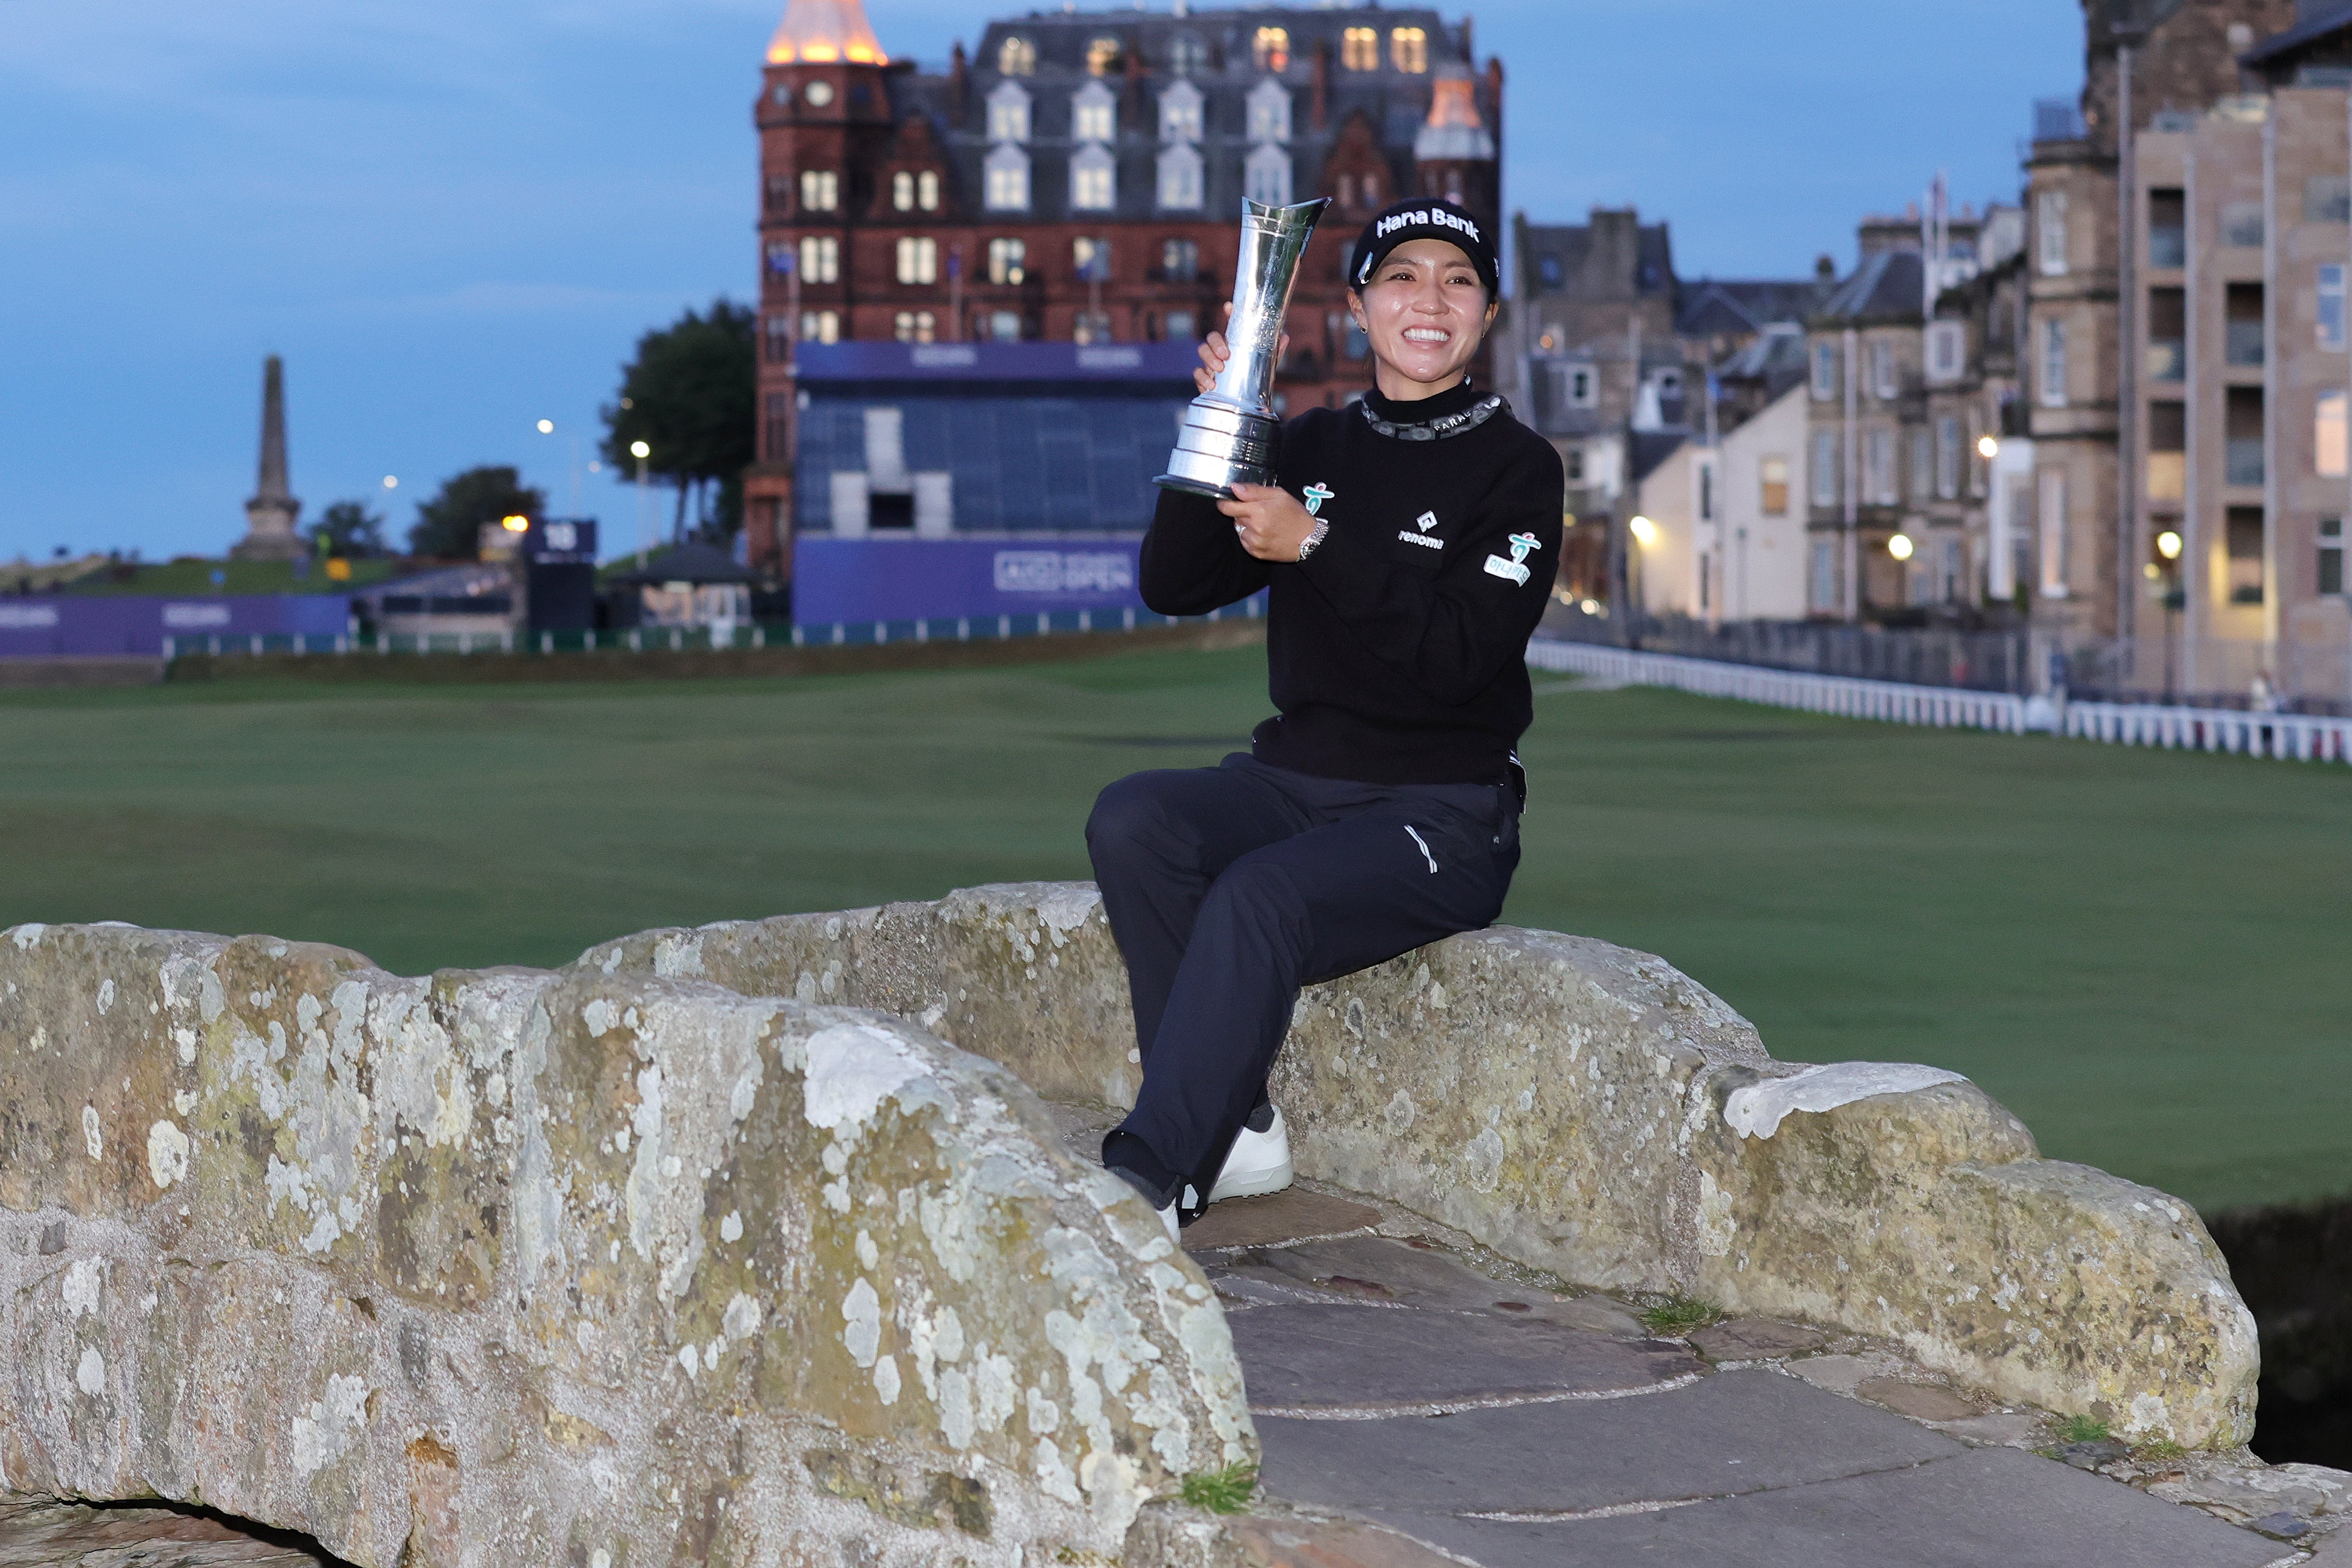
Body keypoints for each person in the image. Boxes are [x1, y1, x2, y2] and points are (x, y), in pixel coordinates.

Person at [1087, 199, 1566, 1239]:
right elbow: (1174, 582)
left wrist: (1318, 547)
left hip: (1443, 812)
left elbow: (1458, 658)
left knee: (1259, 897)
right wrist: (1222, 412)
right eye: (1401, 276)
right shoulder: (1305, 444)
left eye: (1457, 279)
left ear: (1488, 314)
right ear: (1357, 307)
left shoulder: (1520, 470)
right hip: (1295, 781)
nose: (1428, 299)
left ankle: (1148, 1180)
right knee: (1134, 821)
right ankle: (1241, 1124)